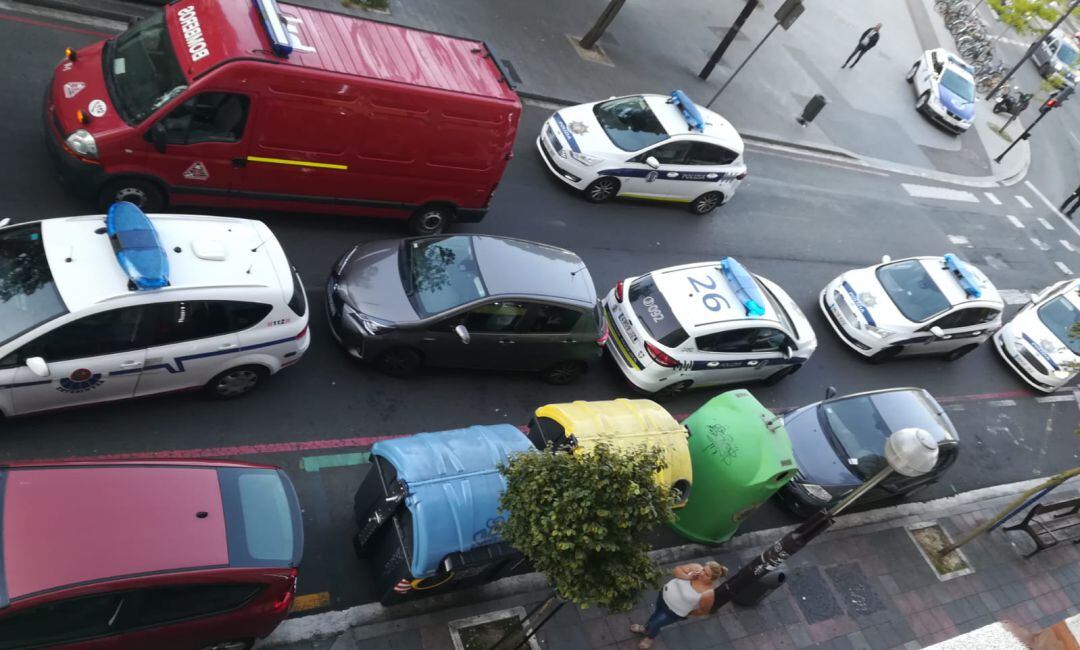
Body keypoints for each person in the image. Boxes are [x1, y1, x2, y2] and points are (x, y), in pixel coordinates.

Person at [630, 561, 727, 649]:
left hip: (673, 612)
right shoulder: (696, 567)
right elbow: (676, 570)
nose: (702, 573)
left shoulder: (708, 593)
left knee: (655, 623)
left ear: (712, 579)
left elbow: (703, 610)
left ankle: (650, 637)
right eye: (704, 570)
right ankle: (646, 628)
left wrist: (688, 613)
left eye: (706, 574)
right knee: (656, 614)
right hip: (663, 596)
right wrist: (688, 577)